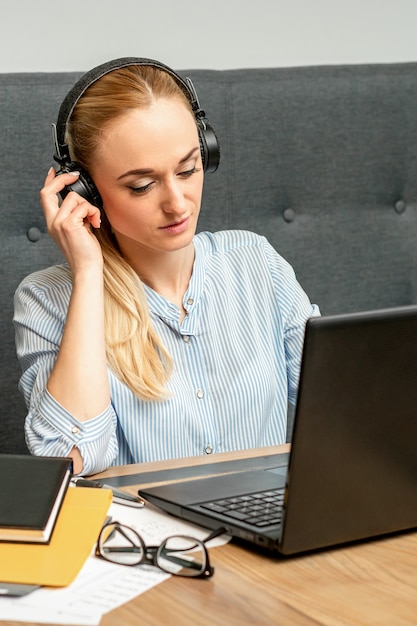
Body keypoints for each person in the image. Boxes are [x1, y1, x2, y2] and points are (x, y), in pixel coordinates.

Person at [14, 57, 319, 476]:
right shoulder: (47, 300)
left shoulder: (257, 264)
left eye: (189, 168)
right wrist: (88, 274)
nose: (177, 203)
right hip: (143, 540)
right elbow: (67, 460)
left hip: (264, 532)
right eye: (142, 185)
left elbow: (343, 409)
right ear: (86, 190)